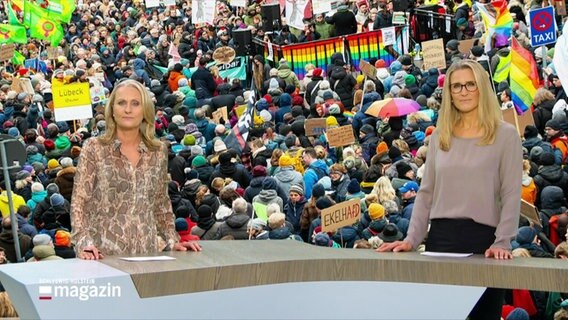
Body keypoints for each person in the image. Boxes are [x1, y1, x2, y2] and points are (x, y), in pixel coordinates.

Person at [378, 60, 523, 320]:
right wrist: (412, 239)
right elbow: (426, 193)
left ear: (481, 88)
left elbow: (512, 193)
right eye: (456, 86)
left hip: (486, 245)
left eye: (470, 84)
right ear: (449, 94)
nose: (464, 91)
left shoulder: (506, 135)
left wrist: (503, 240)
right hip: (440, 241)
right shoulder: (440, 136)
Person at [71, 80, 201, 260]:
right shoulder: (94, 148)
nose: (128, 109)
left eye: (135, 103)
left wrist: (172, 240)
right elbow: (79, 201)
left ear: (145, 110)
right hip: (101, 255)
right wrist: (84, 242)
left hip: (147, 254)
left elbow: (160, 202)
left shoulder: (158, 150)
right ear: (112, 109)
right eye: (121, 103)